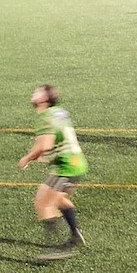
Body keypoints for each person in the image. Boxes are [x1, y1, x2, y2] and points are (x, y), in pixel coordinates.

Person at [18, 85, 87, 260]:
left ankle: (57, 249)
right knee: (60, 199)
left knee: (44, 204)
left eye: (38, 91)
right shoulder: (59, 112)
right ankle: (75, 234)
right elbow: (56, 139)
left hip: (67, 167)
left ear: (44, 99)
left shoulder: (45, 117)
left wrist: (28, 158)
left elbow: (45, 145)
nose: (34, 92)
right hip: (76, 162)